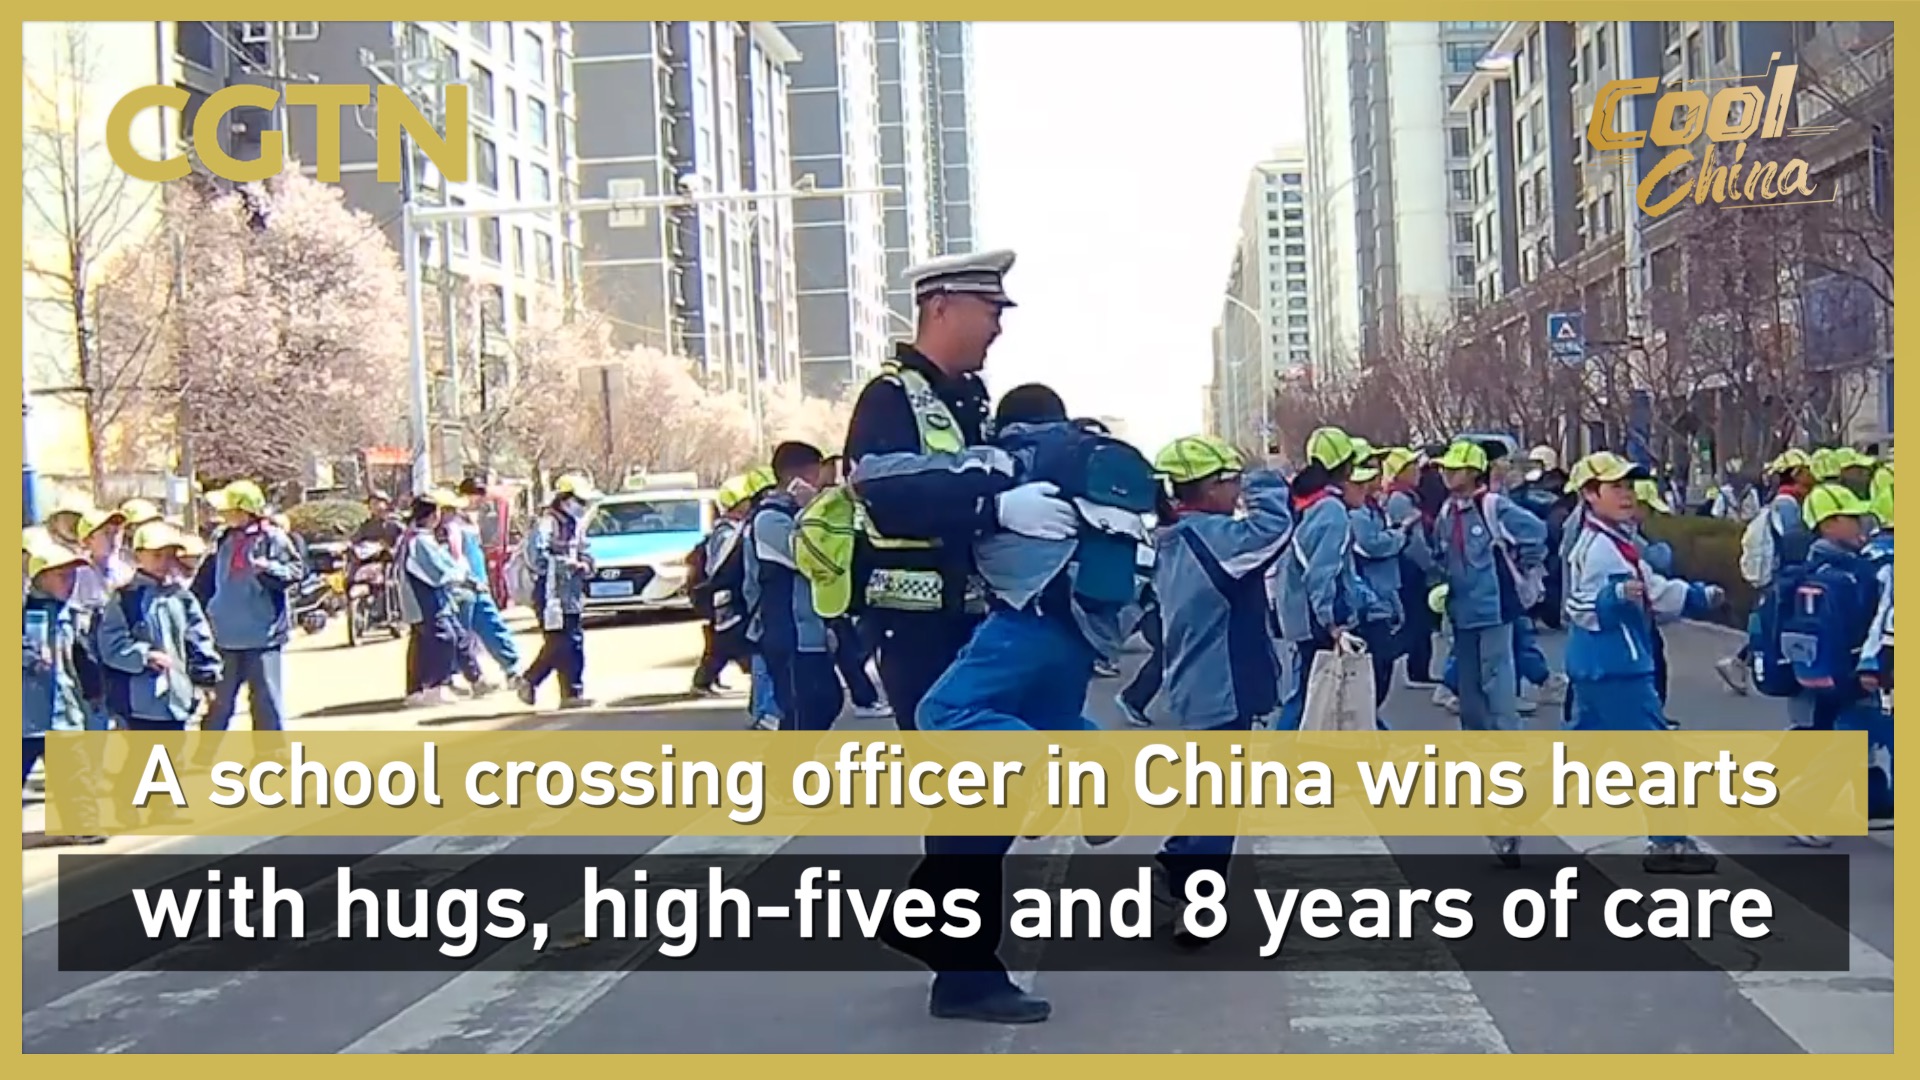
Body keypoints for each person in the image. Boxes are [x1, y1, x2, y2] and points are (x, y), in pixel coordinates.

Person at [1146, 435, 1291, 936]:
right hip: (1220, 682)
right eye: (1228, 480)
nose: (1235, 489)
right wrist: (1265, 477)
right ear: (1204, 490)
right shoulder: (1211, 537)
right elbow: (1275, 530)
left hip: (1198, 680)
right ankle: (1195, 903)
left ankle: (1175, 864)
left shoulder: (1171, 539)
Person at [1562, 452, 1723, 873]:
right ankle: (1668, 844)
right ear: (1590, 494)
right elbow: (1580, 606)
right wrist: (1613, 599)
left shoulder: (1612, 541)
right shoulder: (1598, 548)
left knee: (1580, 755)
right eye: (1616, 487)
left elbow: (1650, 589)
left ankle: (1510, 814)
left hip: (1603, 664)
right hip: (1617, 665)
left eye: (1629, 486)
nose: (1627, 495)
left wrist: (1695, 597)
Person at [743, 442, 845, 732]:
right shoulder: (770, 519)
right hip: (788, 632)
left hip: (812, 630)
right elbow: (814, 557)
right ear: (801, 475)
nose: (827, 483)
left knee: (826, 701)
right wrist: (815, 510)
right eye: (821, 474)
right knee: (804, 711)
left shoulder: (795, 513)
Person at [193, 481, 305, 732]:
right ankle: (204, 755)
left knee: (265, 701)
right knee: (219, 702)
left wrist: (268, 568)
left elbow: (296, 571)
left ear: (245, 511)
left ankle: (271, 758)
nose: (223, 515)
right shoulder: (223, 539)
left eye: (229, 510)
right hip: (224, 634)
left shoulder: (272, 538)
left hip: (262, 634)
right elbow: (207, 580)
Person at [1273, 426, 1364, 732]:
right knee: (1312, 691)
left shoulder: (1307, 503)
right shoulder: (1332, 511)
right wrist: (1332, 623)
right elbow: (1323, 572)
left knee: (1314, 687)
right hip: (1316, 617)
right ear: (1346, 466)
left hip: (1298, 612)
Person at [95, 522, 221, 733]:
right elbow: (111, 645)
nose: (164, 562)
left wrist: (206, 676)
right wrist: (144, 656)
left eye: (169, 555)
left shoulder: (181, 596)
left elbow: (199, 637)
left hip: (177, 698)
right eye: (157, 555)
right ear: (138, 556)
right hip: (139, 702)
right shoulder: (125, 599)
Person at [22, 539, 105, 844]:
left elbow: (79, 655)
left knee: (74, 770)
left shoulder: (68, 614)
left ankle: (83, 822)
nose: (69, 583)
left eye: (72, 576)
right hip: (25, 713)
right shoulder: (22, 611)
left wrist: (93, 688)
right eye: (61, 576)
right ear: (39, 577)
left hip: (63, 709)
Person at [515, 475, 600, 709]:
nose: (582, 507)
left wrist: (586, 565)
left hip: (571, 592)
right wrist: (563, 565)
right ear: (564, 499)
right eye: (578, 501)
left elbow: (586, 552)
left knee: (574, 641)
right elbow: (535, 558)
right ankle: (531, 680)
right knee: (560, 641)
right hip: (550, 592)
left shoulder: (574, 525)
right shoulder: (547, 523)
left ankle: (572, 693)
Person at [1347, 450, 1405, 727]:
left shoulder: (1373, 506)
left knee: (1381, 669)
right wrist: (1398, 535)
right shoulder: (1356, 513)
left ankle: (1372, 725)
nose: (1376, 473)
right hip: (1368, 603)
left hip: (1381, 596)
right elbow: (1371, 546)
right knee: (1376, 669)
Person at [690, 474, 759, 698]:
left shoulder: (733, 528)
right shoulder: (726, 532)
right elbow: (718, 565)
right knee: (727, 641)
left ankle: (708, 680)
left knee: (725, 641)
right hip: (724, 595)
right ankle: (704, 681)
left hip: (724, 595)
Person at [398, 492, 470, 706]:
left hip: (422, 598)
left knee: (422, 643)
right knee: (443, 638)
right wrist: (459, 574)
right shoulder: (419, 541)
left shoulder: (415, 537)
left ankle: (416, 690)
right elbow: (436, 571)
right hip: (424, 598)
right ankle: (435, 687)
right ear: (432, 515)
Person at [1381, 447, 1438, 687]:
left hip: (1411, 566)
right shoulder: (1400, 500)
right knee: (1415, 621)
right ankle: (1400, 662)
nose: (1417, 471)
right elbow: (1414, 542)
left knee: (1420, 622)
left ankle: (1419, 669)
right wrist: (1432, 567)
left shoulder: (1408, 496)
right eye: (1411, 467)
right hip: (1410, 568)